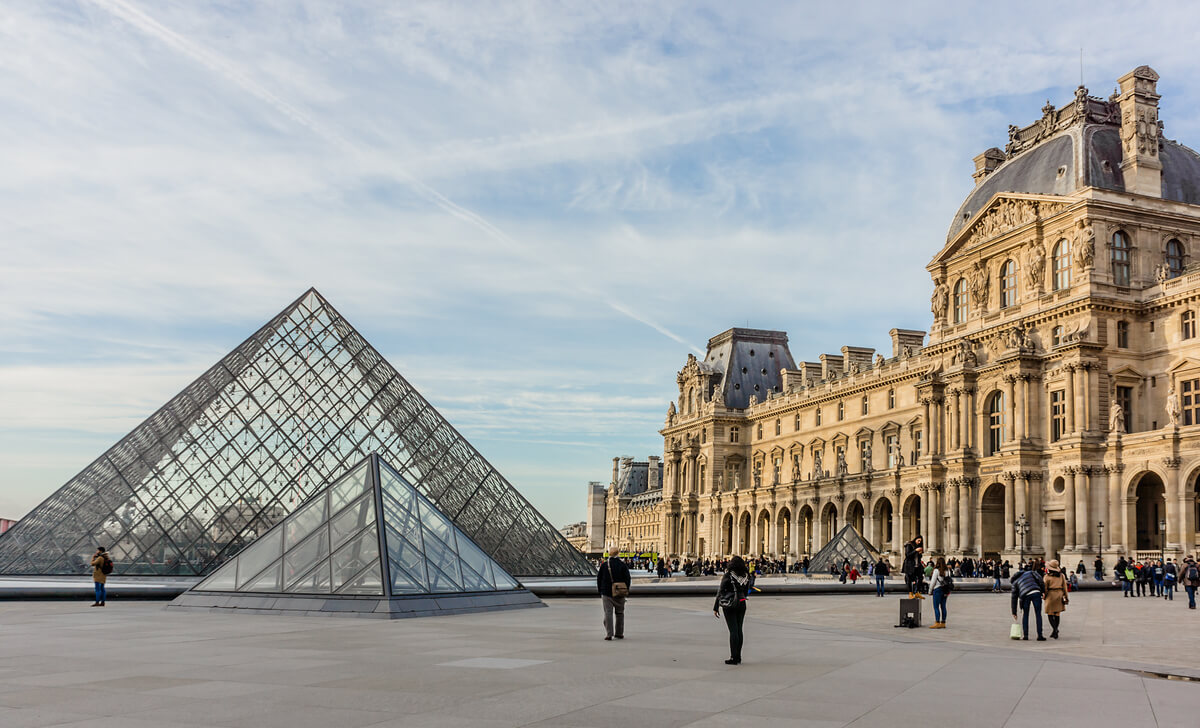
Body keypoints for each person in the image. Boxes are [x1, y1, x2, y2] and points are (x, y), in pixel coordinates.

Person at [713, 556, 751, 665]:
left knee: (733, 631)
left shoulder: (728, 575)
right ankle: (738, 656)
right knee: (739, 630)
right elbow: (746, 590)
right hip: (742, 602)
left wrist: (716, 607)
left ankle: (733, 657)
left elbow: (720, 591)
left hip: (730, 602)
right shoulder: (746, 575)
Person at [597, 552, 631, 641]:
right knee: (620, 613)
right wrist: (625, 589)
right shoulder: (622, 565)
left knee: (608, 613)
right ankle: (619, 633)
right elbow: (628, 578)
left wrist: (600, 590)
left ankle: (609, 634)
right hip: (619, 592)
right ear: (618, 554)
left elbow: (599, 578)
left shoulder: (604, 565)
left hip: (606, 592)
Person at [1011, 561, 1046, 641]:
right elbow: (1040, 580)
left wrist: (1014, 612)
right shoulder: (1031, 573)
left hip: (1025, 596)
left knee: (1025, 614)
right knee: (1038, 614)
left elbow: (1014, 598)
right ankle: (1040, 635)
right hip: (1036, 592)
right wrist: (1043, 591)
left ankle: (1025, 636)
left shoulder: (1014, 583)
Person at [1043, 559, 1068, 640]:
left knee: (1050, 613)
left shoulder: (1047, 577)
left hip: (1050, 595)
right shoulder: (1062, 576)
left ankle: (1055, 629)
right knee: (1057, 614)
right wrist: (1066, 597)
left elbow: (1045, 588)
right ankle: (1055, 631)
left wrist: (1044, 596)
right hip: (1059, 594)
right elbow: (1065, 587)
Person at [928, 557, 950, 629]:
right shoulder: (947, 570)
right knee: (943, 606)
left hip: (937, 590)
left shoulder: (936, 571)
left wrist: (930, 591)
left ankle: (937, 622)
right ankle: (943, 622)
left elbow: (933, 582)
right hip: (945, 590)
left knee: (936, 607)